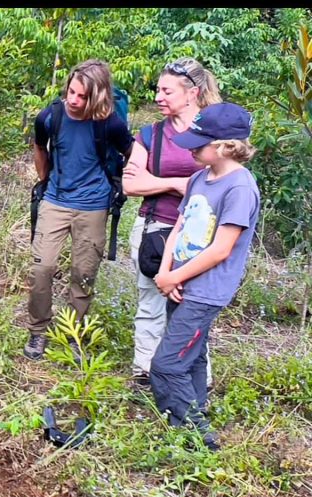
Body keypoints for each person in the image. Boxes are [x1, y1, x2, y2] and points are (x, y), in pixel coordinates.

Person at [150, 102, 259, 451]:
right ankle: (191, 425)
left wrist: (175, 276)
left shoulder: (239, 188)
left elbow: (221, 249)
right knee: (190, 357)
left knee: (166, 365)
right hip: (179, 282)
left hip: (205, 291)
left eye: (199, 142)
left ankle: (198, 438)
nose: (191, 148)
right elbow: (179, 227)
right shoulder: (199, 177)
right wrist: (166, 272)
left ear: (226, 146)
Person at [24, 59, 134, 360]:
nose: (73, 100)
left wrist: (129, 186)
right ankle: (37, 331)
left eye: (81, 96)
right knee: (41, 268)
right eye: (70, 92)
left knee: (83, 274)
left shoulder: (109, 123)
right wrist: (45, 180)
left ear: (96, 97)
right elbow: (39, 147)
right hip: (56, 201)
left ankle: (73, 333)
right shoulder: (50, 116)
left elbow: (132, 152)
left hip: (94, 205)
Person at [123, 57, 222, 390]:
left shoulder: (214, 132)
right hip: (154, 229)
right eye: (158, 90)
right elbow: (131, 185)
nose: (158, 97)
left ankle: (195, 377)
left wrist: (155, 177)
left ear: (191, 93)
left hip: (202, 238)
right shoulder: (150, 135)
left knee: (192, 308)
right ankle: (145, 372)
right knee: (150, 302)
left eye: (166, 90)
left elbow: (224, 180)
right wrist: (180, 184)